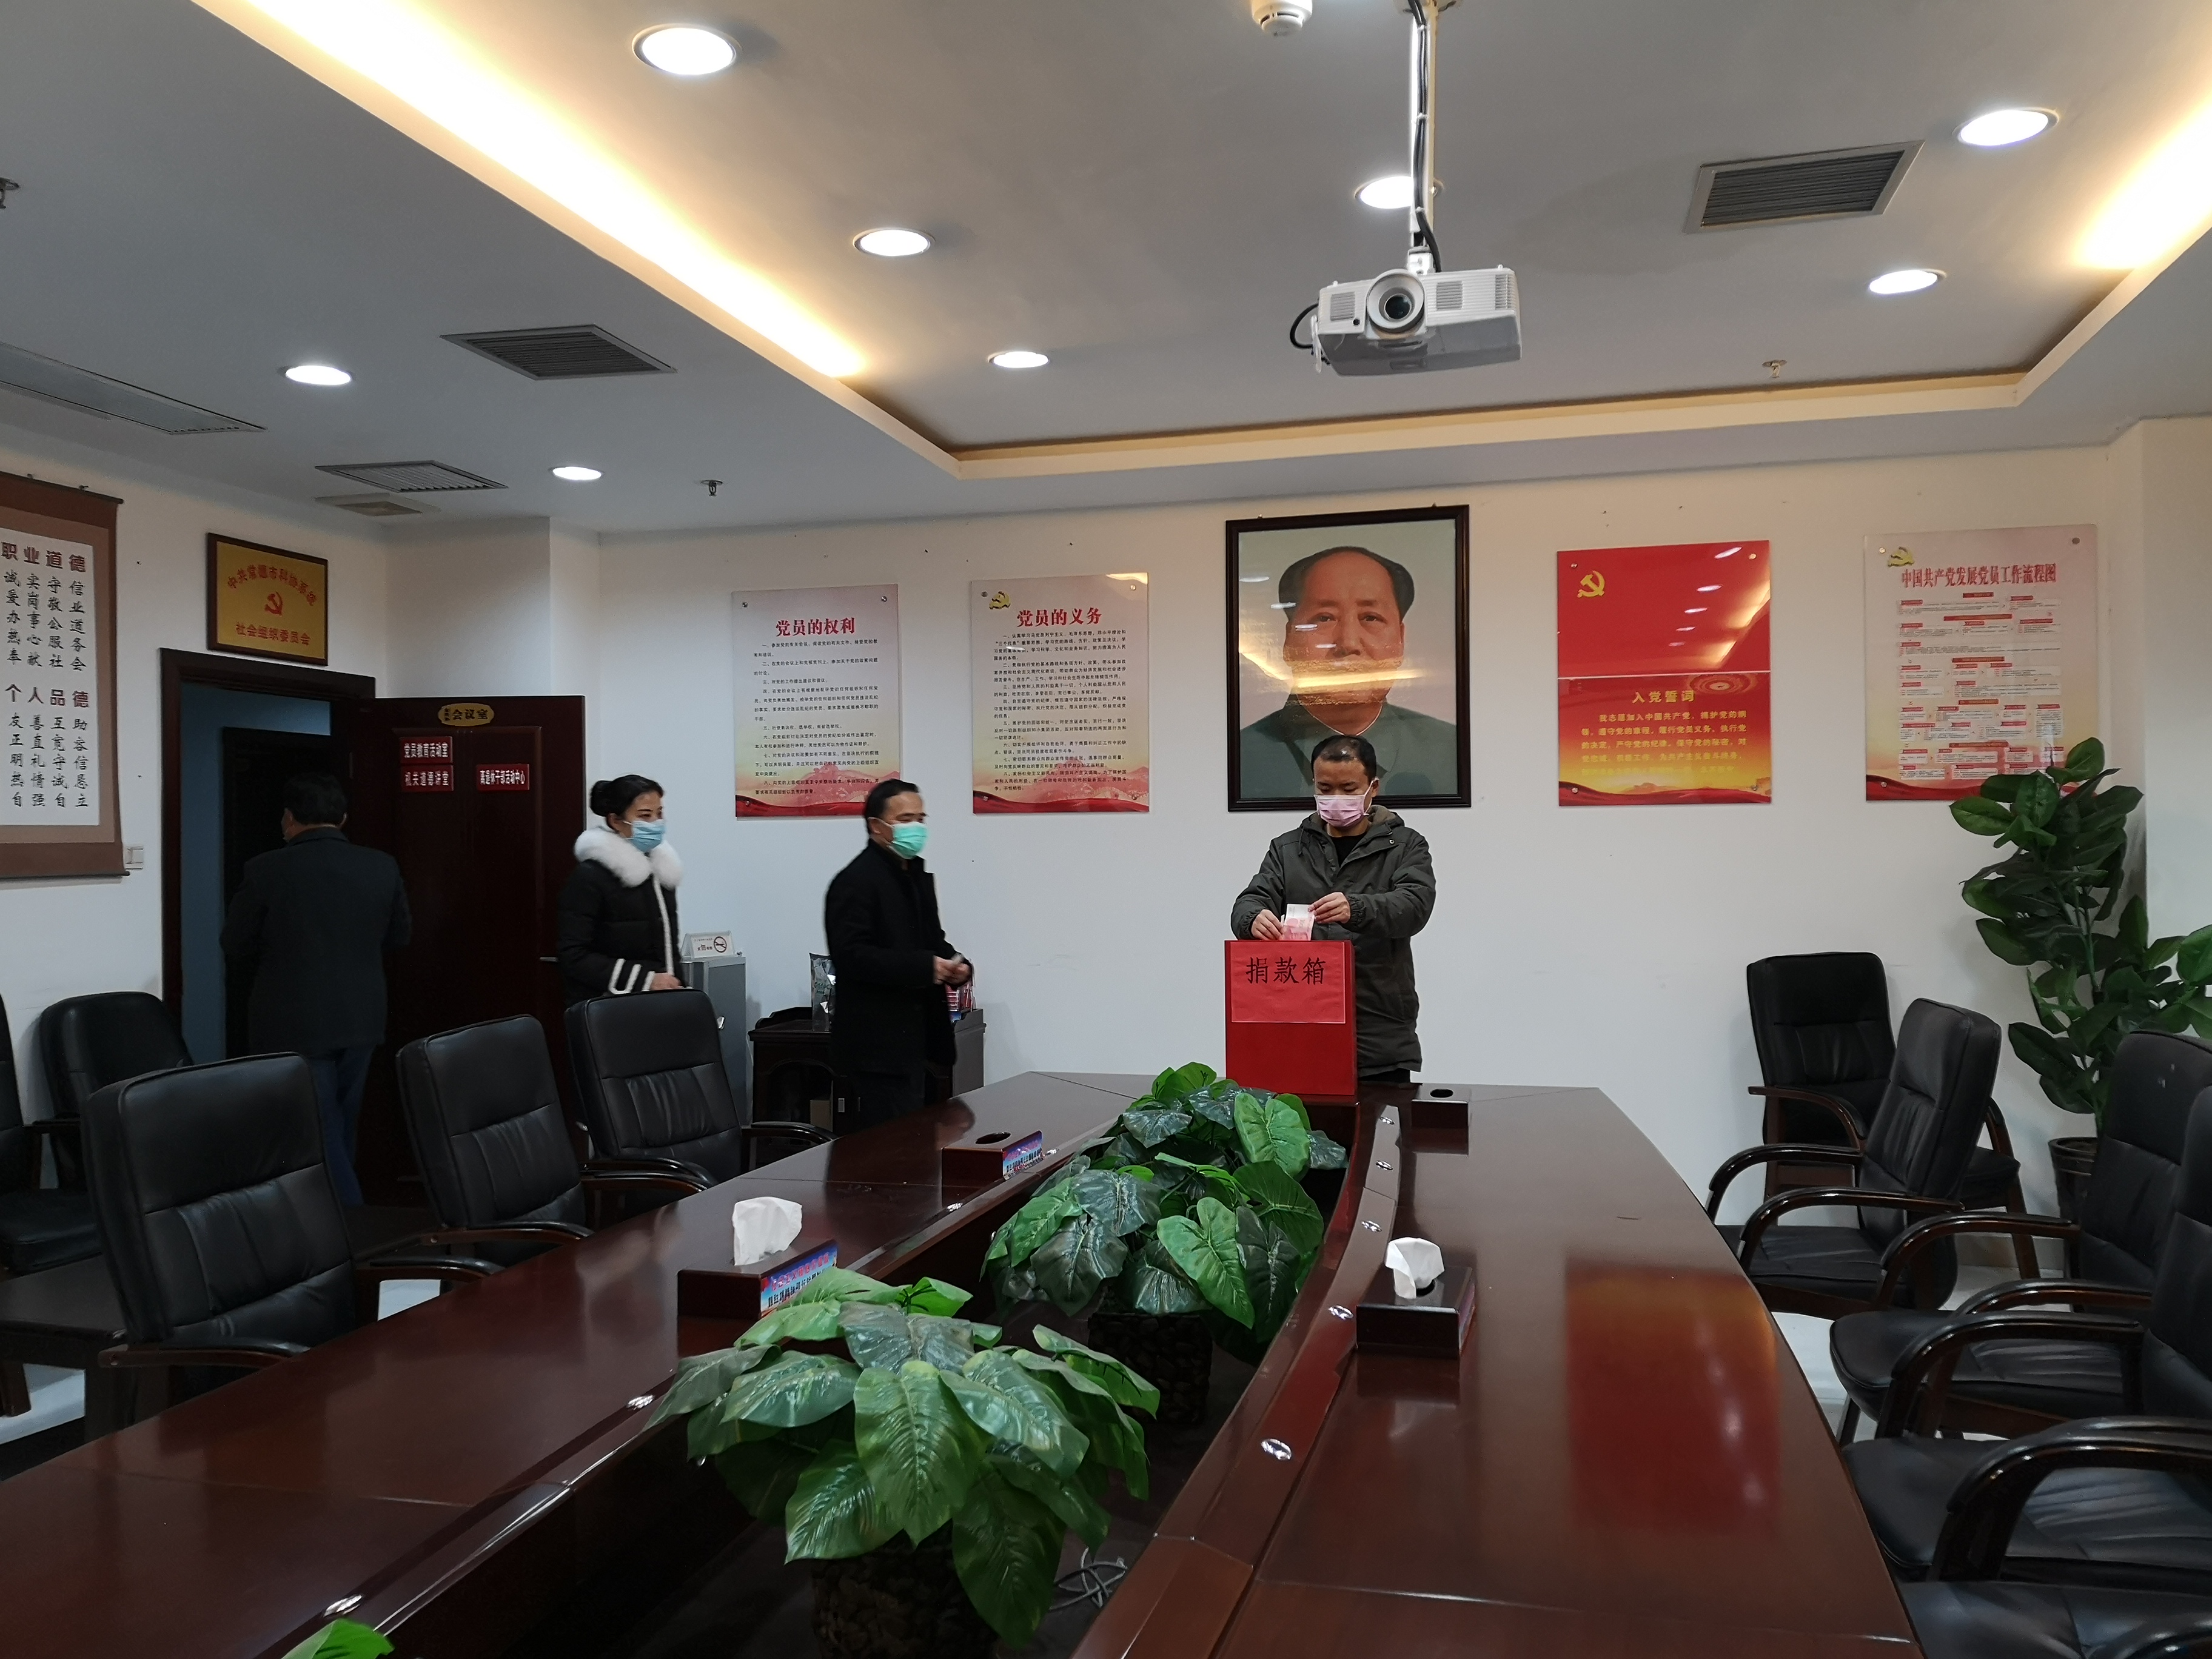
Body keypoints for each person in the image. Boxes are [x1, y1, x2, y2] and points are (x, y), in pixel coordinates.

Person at [221, 771, 411, 1207]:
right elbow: (399, 936)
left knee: (316, 1127)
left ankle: (348, 1218)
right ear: (342, 819)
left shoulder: (266, 869)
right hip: (362, 1016)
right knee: (341, 1123)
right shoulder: (381, 865)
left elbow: (235, 943)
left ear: (289, 818)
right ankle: (335, 1219)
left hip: (294, 1020)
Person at [1230, 733, 1436, 1083]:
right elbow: (1250, 900)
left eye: (1349, 789)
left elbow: (1415, 906)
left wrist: (1356, 908)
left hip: (1378, 1028)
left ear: (1373, 788)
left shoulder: (1404, 845)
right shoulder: (1288, 849)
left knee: (1379, 1116)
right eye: (1325, 789)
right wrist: (1253, 919)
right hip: (1300, 1024)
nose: (1336, 798)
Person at [1238, 544, 1459, 800]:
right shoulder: (1239, 757)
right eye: (1324, 618)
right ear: (1289, 641)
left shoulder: (1451, 752)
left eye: (1371, 618)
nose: (1349, 643)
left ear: (1400, 640)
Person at [826, 779, 972, 1130]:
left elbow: (933, 940)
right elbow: (852, 956)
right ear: (877, 826)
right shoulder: (855, 881)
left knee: (924, 1141)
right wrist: (925, 968)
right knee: (895, 1146)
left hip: (921, 1037)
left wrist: (957, 966)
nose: (916, 828)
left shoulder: (916, 875)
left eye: (920, 819)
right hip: (878, 1046)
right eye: (906, 820)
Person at [558, 775, 684, 1004]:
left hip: (660, 1003)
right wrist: (645, 980)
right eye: (645, 816)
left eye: (659, 814)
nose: (656, 823)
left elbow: (668, 951)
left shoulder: (659, 872)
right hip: (610, 1007)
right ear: (616, 821)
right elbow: (573, 955)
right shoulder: (590, 876)